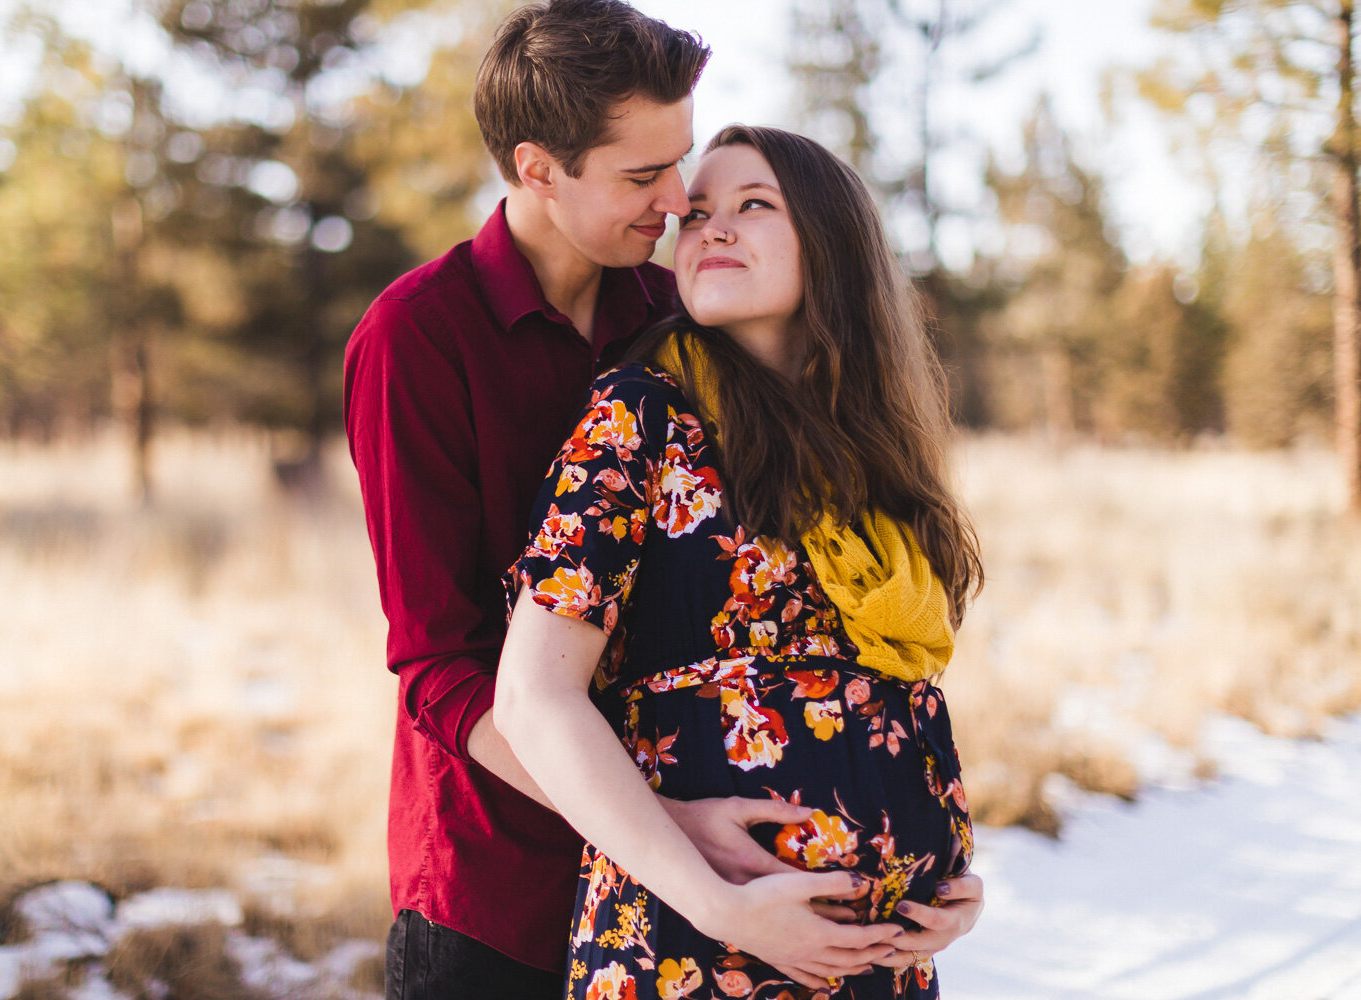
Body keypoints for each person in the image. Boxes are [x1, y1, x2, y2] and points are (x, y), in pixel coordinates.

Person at [347, 1, 982, 993]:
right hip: (502, 881)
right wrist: (665, 825)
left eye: (679, 160)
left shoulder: (681, 314)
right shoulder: (419, 339)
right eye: (644, 176)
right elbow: (442, 660)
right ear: (538, 170)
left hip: (736, 894)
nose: (680, 200)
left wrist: (921, 851)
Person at [495, 124, 985, 999]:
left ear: (834, 247)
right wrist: (720, 907)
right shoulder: (642, 417)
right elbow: (534, 701)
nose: (710, 227)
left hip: (878, 969)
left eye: (753, 206)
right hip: (691, 948)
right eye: (699, 214)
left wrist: (943, 882)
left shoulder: (873, 458)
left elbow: (900, 710)